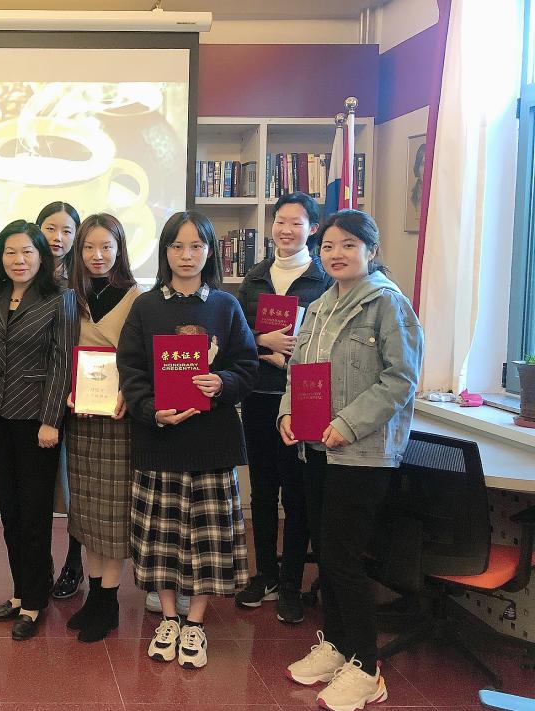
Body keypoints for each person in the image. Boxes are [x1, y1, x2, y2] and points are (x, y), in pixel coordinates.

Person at [279, 209, 422, 711]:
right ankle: (338, 646)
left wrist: (349, 423)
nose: (336, 254)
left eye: (348, 245)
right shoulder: (320, 305)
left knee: (343, 558)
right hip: (317, 447)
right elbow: (299, 369)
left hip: (362, 453)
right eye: (328, 246)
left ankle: (367, 668)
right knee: (326, 550)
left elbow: (400, 380)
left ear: (371, 251)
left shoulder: (388, 304)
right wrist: (287, 412)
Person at [117, 211, 257, 669]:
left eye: (196, 245)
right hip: (159, 440)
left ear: (209, 252)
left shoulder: (226, 306)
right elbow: (130, 369)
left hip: (211, 443)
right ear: (165, 252)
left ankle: (195, 621)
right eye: (177, 246)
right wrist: (149, 409)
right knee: (161, 536)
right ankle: (169, 617)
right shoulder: (146, 307)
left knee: (208, 539)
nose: (186, 255)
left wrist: (223, 382)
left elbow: (247, 366)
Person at [235, 192, 332, 624]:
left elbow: (330, 339)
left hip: (303, 400)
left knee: (296, 494)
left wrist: (293, 355)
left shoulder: (324, 279)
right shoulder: (255, 277)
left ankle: (291, 583)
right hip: (258, 396)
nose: (286, 230)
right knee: (261, 490)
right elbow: (236, 335)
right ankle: (265, 576)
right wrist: (262, 342)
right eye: (280, 221)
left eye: (296, 222)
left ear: (312, 228)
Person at [0, 219, 78, 641]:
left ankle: (35, 601)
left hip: (38, 421)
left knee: (34, 514)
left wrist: (51, 420)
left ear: (42, 256)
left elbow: (62, 362)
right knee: (10, 511)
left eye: (27, 252)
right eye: (10, 252)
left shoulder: (60, 298)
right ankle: (21, 591)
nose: (18, 260)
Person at [62, 213, 142, 643]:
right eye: (89, 247)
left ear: (119, 249)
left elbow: (142, 359)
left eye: (106, 247)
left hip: (117, 419)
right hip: (80, 418)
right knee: (86, 512)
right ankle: (94, 596)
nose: (98, 255)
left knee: (113, 514)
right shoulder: (71, 296)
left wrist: (128, 392)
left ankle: (108, 602)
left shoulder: (136, 297)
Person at [36, 200, 86, 600]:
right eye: (50, 228)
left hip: (78, 395)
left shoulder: (85, 278)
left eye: (67, 231)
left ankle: (74, 561)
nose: (58, 237)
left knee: (74, 488)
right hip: (31, 395)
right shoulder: (24, 270)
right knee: (39, 488)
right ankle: (39, 567)